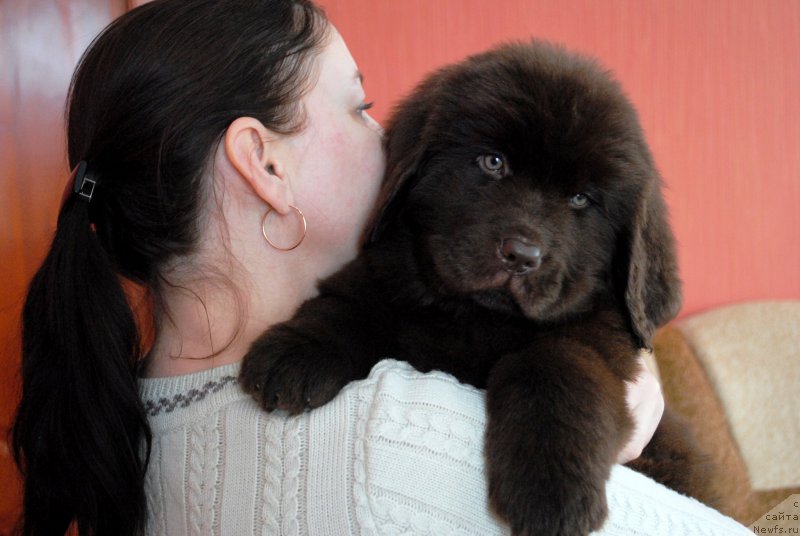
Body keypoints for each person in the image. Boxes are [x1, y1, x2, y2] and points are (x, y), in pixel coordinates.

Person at [11, 1, 750, 535]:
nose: (386, 133)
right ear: (262, 162)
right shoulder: (395, 443)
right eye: (360, 106)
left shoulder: (122, 422)